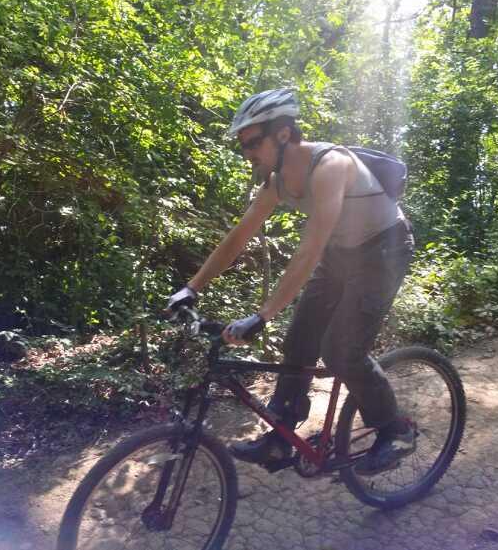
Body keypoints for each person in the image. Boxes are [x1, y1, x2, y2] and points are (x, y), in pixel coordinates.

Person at [167, 88, 416, 475]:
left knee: (341, 351)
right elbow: (239, 235)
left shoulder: (330, 165)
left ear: (283, 135)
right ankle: (282, 439)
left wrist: (263, 314)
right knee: (298, 341)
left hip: (383, 249)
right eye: (242, 145)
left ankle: (394, 429)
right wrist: (192, 287)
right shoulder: (277, 182)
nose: (246, 152)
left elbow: (310, 249)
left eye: (252, 142)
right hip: (341, 253)